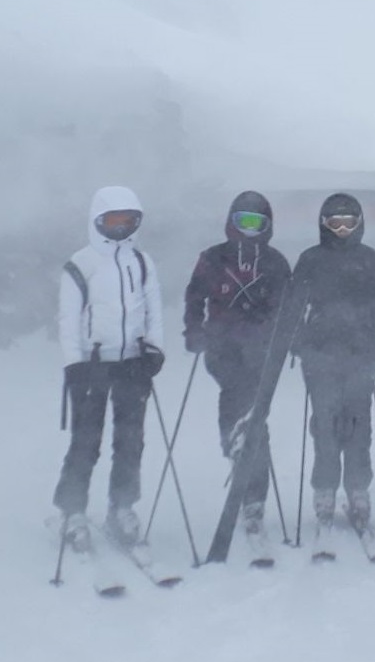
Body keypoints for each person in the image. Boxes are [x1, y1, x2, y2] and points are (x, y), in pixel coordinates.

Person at [55, 186, 165, 551]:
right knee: (86, 441)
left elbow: (153, 310)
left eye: (127, 221)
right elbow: (69, 319)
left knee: (131, 440)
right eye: (113, 221)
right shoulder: (80, 265)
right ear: (97, 221)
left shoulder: (142, 262)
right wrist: (74, 364)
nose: (120, 228)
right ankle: (72, 511)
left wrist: (154, 348)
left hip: (132, 362)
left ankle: (122, 507)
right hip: (93, 364)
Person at [183, 191, 291, 552]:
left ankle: (254, 495)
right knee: (235, 396)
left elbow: (285, 305)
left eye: (256, 224)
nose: (249, 230)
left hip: (260, 349)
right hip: (222, 346)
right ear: (231, 223)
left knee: (256, 413)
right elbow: (194, 297)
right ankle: (235, 438)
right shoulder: (213, 258)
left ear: (267, 226)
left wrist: (283, 336)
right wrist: (194, 331)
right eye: (242, 222)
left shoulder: (275, 262)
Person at [290, 193, 375, 546]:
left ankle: (358, 488)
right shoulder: (311, 259)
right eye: (335, 224)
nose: (342, 230)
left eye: (348, 223)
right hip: (321, 353)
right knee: (326, 423)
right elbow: (294, 304)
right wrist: (297, 340)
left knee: (358, 423)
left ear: (359, 224)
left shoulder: (369, 260)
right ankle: (325, 489)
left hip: (360, 353)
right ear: (324, 225)